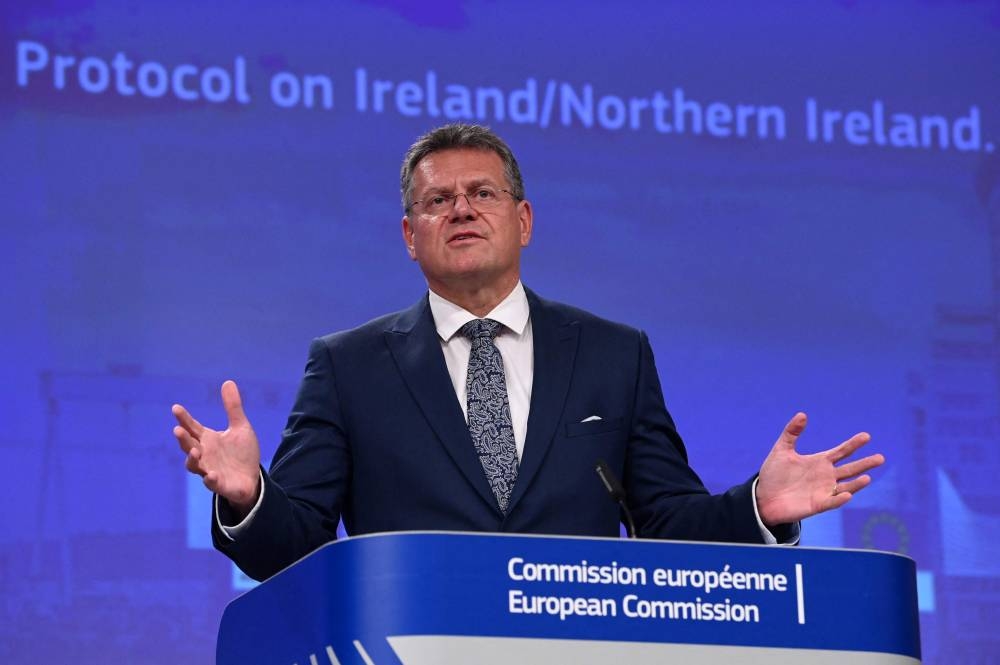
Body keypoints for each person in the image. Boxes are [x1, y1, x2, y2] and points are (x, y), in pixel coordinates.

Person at [173, 124, 884, 582]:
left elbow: (669, 525)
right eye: (437, 200)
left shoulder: (615, 354)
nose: (461, 209)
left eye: (483, 192)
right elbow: (291, 549)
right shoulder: (347, 365)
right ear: (408, 234)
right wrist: (249, 497)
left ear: (524, 220)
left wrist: (760, 507)